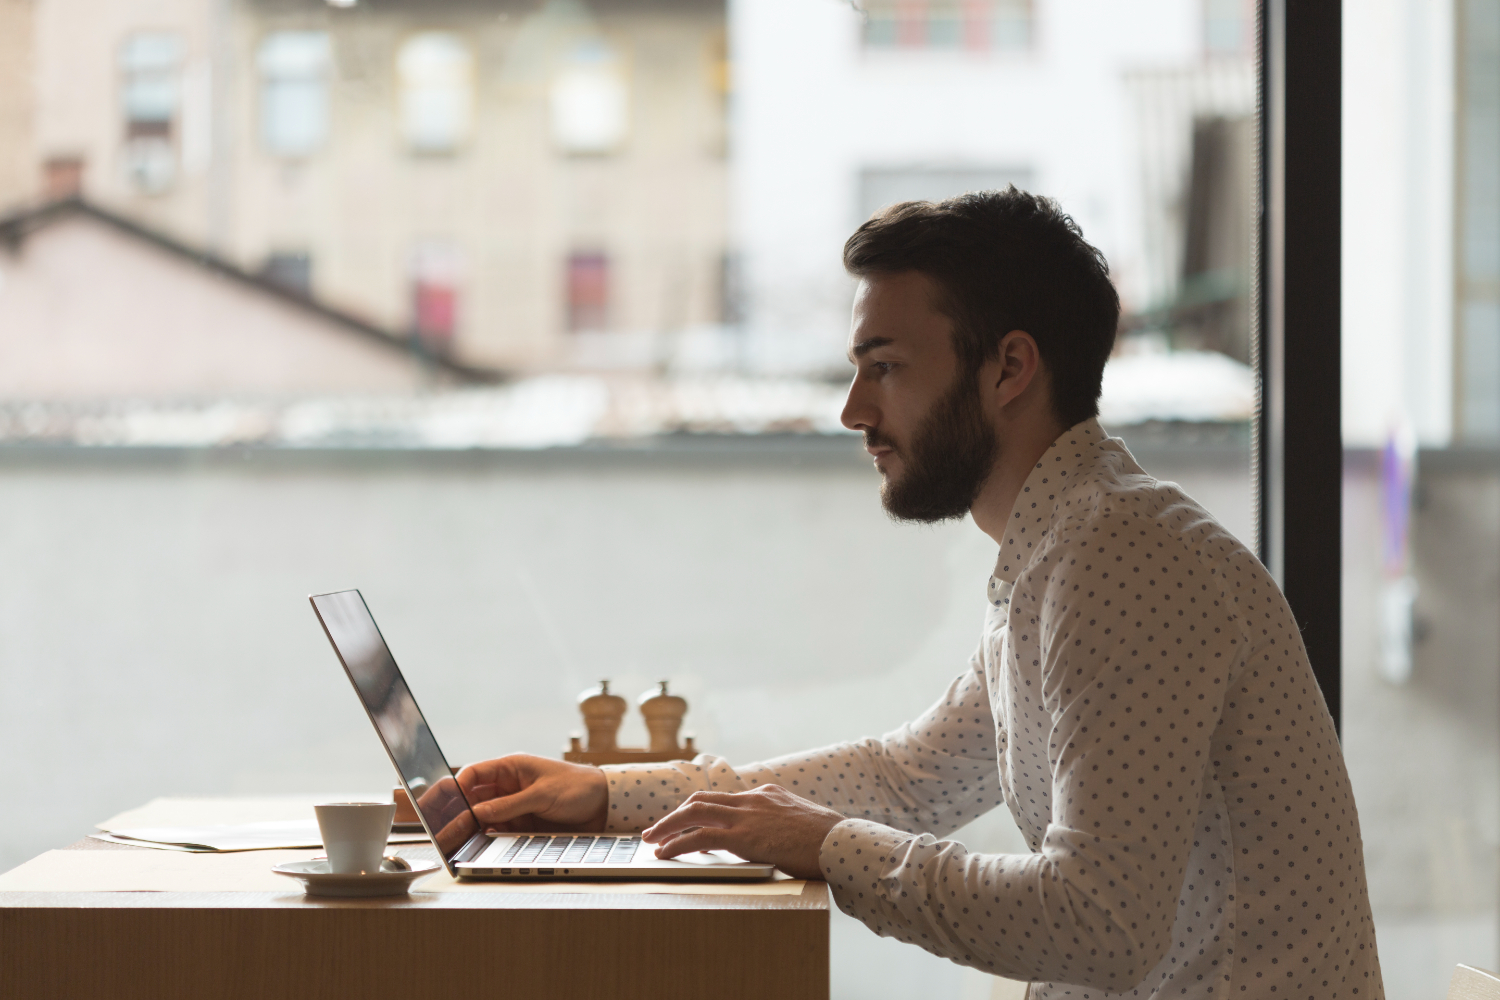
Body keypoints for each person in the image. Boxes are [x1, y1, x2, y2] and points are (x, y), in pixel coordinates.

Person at [454, 189, 1384, 999]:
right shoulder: (1063, 549)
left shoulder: (1121, 557)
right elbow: (910, 777)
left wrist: (823, 845)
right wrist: (612, 796)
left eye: (886, 366)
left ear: (1009, 369)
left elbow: (1100, 924)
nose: (854, 409)